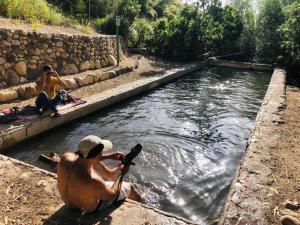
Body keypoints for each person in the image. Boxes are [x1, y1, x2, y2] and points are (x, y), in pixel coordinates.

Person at [57, 135, 142, 213]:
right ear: (97, 155)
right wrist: (121, 174)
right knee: (130, 186)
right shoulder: (93, 180)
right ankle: (141, 201)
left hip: (69, 203)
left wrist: (108, 156)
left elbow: (88, 158)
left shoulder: (66, 157)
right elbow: (112, 195)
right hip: (89, 209)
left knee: (103, 180)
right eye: (101, 152)